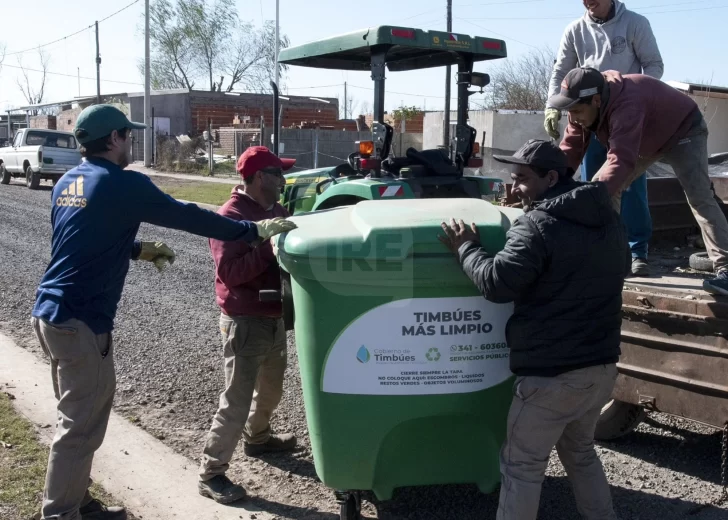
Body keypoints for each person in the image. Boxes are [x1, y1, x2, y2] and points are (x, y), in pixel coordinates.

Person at [30, 105, 297, 520]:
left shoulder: (68, 182)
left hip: (50, 312)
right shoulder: (123, 184)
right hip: (80, 321)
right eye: (128, 134)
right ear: (114, 139)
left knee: (88, 417)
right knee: (80, 426)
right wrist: (252, 231)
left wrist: (138, 249)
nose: (133, 141)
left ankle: (79, 502)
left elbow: (77, 240)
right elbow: (187, 216)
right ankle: (61, 514)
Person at [440, 139, 628, 520]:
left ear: (552, 177)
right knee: (580, 451)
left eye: (522, 179)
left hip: (551, 377)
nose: (513, 189)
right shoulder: (606, 216)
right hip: (600, 368)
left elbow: (497, 283)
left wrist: (466, 248)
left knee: (521, 467)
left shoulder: (537, 225)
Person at [550, 66, 728, 296]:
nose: (572, 118)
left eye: (575, 111)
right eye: (568, 111)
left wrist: (590, 199)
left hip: (685, 130)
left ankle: (726, 269)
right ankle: (610, 262)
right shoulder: (580, 105)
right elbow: (570, 149)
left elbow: (621, 159)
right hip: (646, 136)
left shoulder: (627, 104)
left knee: (699, 197)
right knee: (601, 186)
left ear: (595, 100)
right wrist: (552, 185)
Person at [197, 146, 298, 504]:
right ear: (259, 178)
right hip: (244, 321)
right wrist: (268, 246)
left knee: (271, 389)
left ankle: (257, 439)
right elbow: (231, 273)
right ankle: (212, 473)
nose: (284, 180)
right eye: (278, 174)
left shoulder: (276, 209)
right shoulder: (229, 216)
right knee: (236, 399)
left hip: (273, 318)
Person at [544, 0, 663, 276]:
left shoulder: (635, 23)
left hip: (626, 116)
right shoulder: (575, 30)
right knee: (593, 185)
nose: (588, 1)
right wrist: (551, 105)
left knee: (630, 184)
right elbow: (561, 71)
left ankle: (636, 251)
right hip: (590, 118)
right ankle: (599, 247)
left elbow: (654, 66)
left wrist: (638, 100)